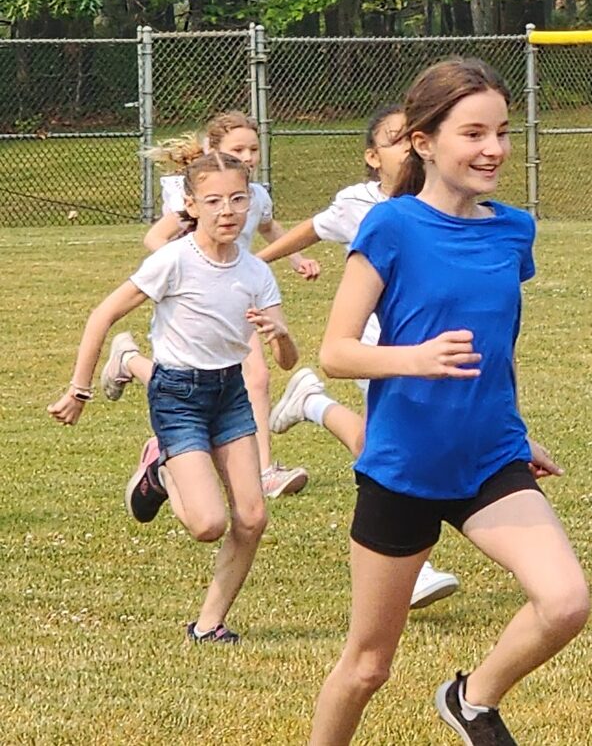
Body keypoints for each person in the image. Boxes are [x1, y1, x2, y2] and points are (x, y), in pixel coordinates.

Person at [308, 57, 588, 746]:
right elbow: (335, 351)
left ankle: (471, 698)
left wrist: (516, 432)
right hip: (403, 467)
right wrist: (415, 359)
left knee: (565, 601)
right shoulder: (392, 226)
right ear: (425, 142)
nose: (493, 148)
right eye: (473, 133)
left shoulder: (513, 229)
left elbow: (499, 347)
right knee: (368, 664)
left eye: (501, 131)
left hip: (489, 458)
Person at [48, 150, 300, 643]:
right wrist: (79, 389)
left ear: (250, 202)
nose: (227, 210)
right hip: (178, 395)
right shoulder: (173, 261)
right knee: (208, 524)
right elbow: (102, 315)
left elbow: (288, 360)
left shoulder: (255, 273)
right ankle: (161, 471)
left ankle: (209, 625)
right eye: (214, 201)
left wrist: (281, 335)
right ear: (191, 205)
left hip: (230, 393)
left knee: (252, 517)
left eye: (237, 199)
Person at [260, 104, 461, 610]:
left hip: (431, 350)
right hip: (376, 351)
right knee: (393, 452)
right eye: (393, 140)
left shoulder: (445, 199)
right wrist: (251, 264)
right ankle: (410, 567)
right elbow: (312, 227)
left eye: (413, 136)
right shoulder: (360, 202)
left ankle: (310, 403)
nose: (407, 147)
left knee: (388, 445)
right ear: (372, 156)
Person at [103, 110, 314, 499]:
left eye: (254, 148)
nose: (249, 155)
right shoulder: (198, 201)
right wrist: (184, 269)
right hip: (203, 297)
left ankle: (258, 467)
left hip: (242, 294)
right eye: (238, 149)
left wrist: (297, 259)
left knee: (247, 379)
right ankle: (261, 470)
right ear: (212, 153)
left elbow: (270, 230)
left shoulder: (256, 196)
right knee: (203, 377)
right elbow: (155, 238)